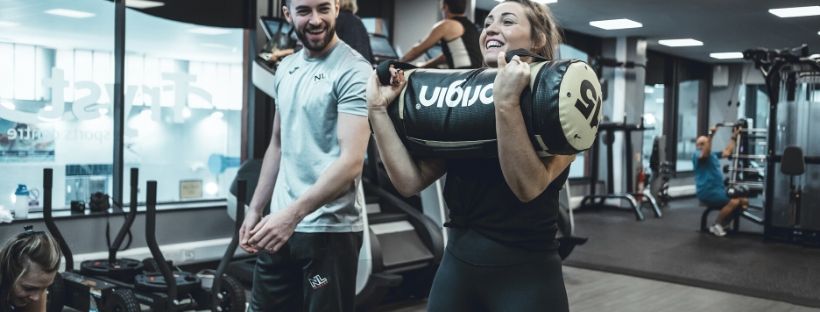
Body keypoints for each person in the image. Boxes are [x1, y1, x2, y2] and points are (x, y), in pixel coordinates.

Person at [368, 0, 571, 311]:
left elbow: (527, 187)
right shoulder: (464, 99)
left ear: (537, 40)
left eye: (507, 21)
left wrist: (506, 104)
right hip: (458, 270)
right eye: (488, 21)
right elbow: (410, 182)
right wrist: (378, 111)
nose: (491, 28)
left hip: (527, 277)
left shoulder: (559, 103)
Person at [238, 0, 372, 311]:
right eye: (304, 11)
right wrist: (256, 209)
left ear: (337, 9)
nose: (316, 20)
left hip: (328, 235)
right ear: (287, 15)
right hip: (278, 228)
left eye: (324, 9)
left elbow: (351, 162)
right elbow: (277, 144)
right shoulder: (286, 68)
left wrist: (292, 215)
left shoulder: (354, 70)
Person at [694, 125, 749, 237]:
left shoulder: (713, 154)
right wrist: (711, 135)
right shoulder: (697, 154)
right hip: (707, 191)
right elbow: (705, 153)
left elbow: (727, 152)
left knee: (744, 201)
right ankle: (717, 225)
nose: (704, 145)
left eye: (705, 143)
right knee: (734, 201)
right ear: (698, 146)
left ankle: (724, 224)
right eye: (702, 144)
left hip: (718, 190)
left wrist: (734, 137)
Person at [398, 0, 482, 69]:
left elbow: (416, 50)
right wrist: (423, 66)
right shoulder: (472, 27)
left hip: (463, 77)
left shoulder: (446, 25)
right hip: (475, 77)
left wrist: (397, 63)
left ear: (444, 6)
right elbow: (444, 57)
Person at [0, 226, 62, 312]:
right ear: (8, 272)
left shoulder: (37, 283)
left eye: (45, 288)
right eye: (28, 288)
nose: (36, 298)